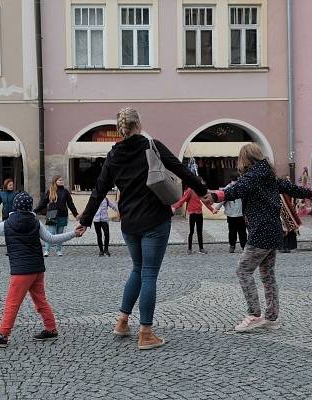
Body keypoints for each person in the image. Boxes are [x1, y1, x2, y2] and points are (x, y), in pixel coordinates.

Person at [79, 107, 211, 350]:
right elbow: (181, 170)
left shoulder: (113, 155)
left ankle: (122, 321)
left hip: (129, 223)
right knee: (149, 274)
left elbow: (99, 190)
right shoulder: (152, 146)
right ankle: (146, 333)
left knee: (137, 270)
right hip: (154, 221)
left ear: (121, 129)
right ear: (138, 124)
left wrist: (85, 221)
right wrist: (203, 192)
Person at [210, 143, 312, 332]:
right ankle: (271, 317)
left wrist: (216, 196)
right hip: (273, 230)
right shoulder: (268, 174)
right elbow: (289, 187)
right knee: (267, 275)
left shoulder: (253, 176)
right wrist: (309, 193)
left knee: (243, 271)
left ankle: (254, 315)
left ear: (245, 159)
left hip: (261, 231)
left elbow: (236, 189)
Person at [0, 192, 85, 346]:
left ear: (15, 206)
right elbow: (52, 239)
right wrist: (74, 233)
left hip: (21, 271)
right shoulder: (36, 222)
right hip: (37, 269)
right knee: (41, 300)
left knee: (12, 303)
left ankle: (2, 336)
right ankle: (51, 328)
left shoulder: (7, 223)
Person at [34, 175, 79, 257]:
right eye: (60, 180)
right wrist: (35, 211)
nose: (62, 181)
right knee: (50, 233)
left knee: (60, 234)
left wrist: (76, 214)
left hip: (62, 215)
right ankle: (46, 250)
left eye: (62, 180)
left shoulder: (65, 192)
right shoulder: (50, 191)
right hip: (52, 214)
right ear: (55, 182)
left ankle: (59, 250)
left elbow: (70, 204)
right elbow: (43, 203)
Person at [172, 177, 215, 255]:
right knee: (191, 232)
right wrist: (175, 207)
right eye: (201, 182)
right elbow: (183, 199)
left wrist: (212, 210)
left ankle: (201, 248)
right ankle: (189, 248)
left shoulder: (200, 191)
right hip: (192, 213)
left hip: (199, 213)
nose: (203, 183)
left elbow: (206, 202)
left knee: (199, 231)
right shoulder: (190, 190)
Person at [214, 172, 247, 253]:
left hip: (237, 214)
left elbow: (223, 199)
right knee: (238, 231)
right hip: (234, 214)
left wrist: (217, 207)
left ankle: (237, 246)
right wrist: (217, 207)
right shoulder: (230, 188)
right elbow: (223, 199)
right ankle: (236, 246)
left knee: (238, 231)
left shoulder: (234, 187)